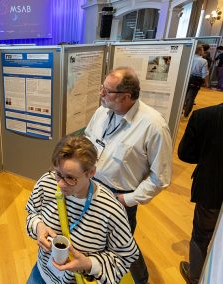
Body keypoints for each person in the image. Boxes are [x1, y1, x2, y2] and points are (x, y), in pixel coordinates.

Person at [84, 67, 172, 284]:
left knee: (122, 245)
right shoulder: (102, 111)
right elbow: (88, 140)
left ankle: (141, 280)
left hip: (120, 198)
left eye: (107, 91)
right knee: (95, 238)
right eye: (102, 89)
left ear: (127, 96)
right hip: (92, 188)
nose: (101, 94)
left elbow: (160, 177)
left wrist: (127, 200)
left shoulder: (153, 125)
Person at [26, 135, 139, 284]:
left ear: (91, 172)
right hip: (42, 274)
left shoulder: (110, 210)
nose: (60, 184)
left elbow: (125, 257)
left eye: (70, 178)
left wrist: (89, 264)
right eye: (58, 174)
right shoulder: (46, 182)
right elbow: (32, 213)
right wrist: (38, 227)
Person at [177, 103, 223, 284]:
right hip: (212, 189)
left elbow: (185, 154)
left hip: (211, 188)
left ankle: (195, 276)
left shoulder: (204, 116)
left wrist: (206, 157)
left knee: (201, 235)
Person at [183, 45, 209, 118]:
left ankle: (180, 110)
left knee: (183, 95)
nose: (204, 51)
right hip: (196, 80)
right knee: (191, 98)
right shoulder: (203, 61)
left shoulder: (189, 58)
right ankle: (186, 114)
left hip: (186, 78)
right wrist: (206, 83)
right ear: (200, 51)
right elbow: (205, 74)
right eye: (203, 50)